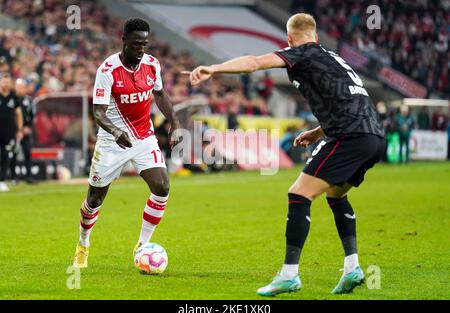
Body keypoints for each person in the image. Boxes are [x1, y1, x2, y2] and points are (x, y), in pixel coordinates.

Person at [183, 13, 385, 296]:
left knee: (299, 195)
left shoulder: (300, 53)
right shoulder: (332, 57)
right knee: (336, 195)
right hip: (374, 136)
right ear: (315, 35)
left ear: (289, 39)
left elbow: (253, 63)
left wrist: (213, 68)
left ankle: (289, 275)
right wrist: (317, 132)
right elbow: (348, 100)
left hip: (350, 136)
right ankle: (352, 268)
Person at [73, 18, 180, 268]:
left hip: (144, 138)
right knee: (95, 200)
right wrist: (114, 130)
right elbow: (98, 112)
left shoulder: (152, 65)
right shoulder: (108, 70)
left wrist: (174, 122)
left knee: (162, 187)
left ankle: (142, 245)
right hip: (111, 143)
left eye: (144, 44)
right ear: (124, 41)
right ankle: (83, 243)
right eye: (135, 44)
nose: (141, 49)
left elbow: (160, 94)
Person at [9, 78, 36, 184]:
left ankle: (29, 176)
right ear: (15, 87)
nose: (20, 89)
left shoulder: (28, 100)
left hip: (25, 131)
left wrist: (28, 127)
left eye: (22, 87)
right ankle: (13, 177)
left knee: (27, 152)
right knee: (12, 154)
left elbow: (32, 115)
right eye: (18, 86)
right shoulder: (11, 99)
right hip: (13, 131)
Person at [0, 73, 23, 192]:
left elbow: (18, 114)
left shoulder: (14, 97)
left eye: (7, 82)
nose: (5, 84)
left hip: (9, 132)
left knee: (5, 156)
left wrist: (19, 130)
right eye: (4, 81)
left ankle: (2, 180)